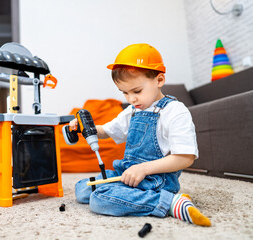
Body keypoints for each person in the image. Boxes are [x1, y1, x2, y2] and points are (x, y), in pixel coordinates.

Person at [70, 43, 211, 227]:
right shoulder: (133, 111)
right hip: (126, 174)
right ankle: (129, 193)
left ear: (159, 80)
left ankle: (171, 203)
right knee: (82, 189)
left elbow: (185, 158)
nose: (131, 99)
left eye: (136, 91)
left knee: (99, 200)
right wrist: (84, 128)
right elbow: (106, 130)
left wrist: (143, 169)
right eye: (125, 93)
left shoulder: (175, 111)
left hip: (155, 180)